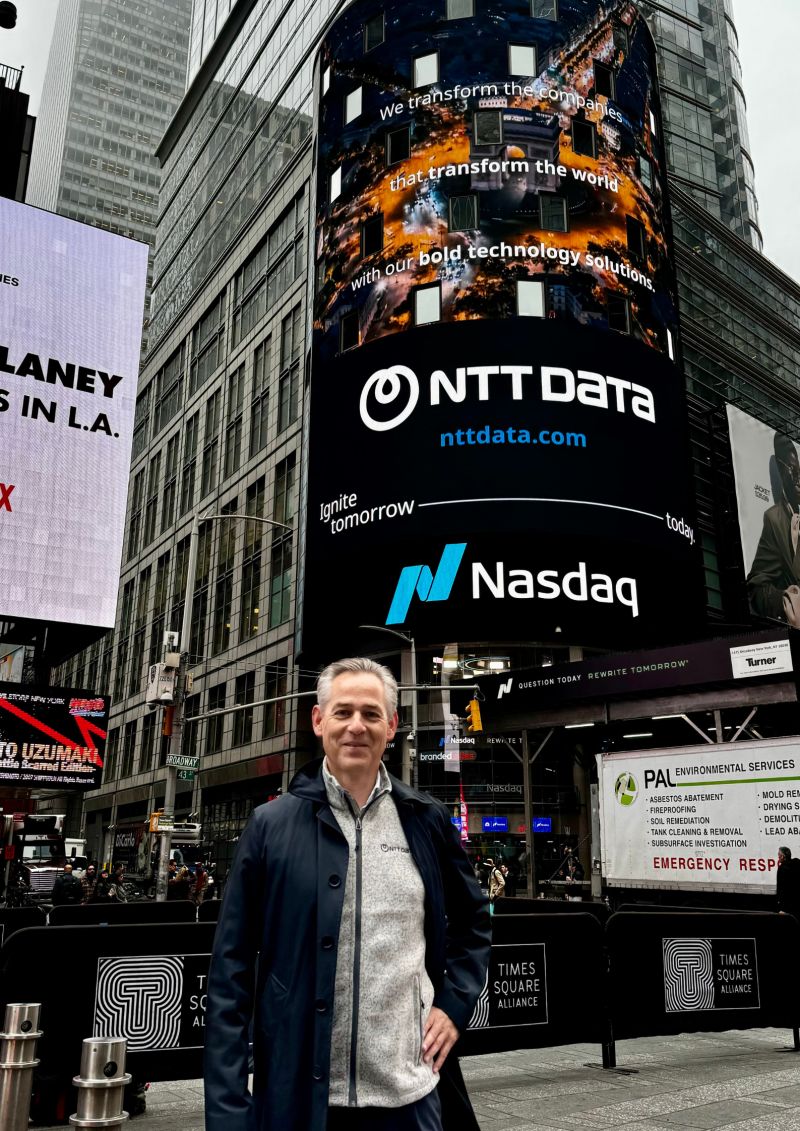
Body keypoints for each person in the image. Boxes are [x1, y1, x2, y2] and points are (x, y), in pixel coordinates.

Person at [205, 657, 490, 1131]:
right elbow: (229, 972)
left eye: (371, 714)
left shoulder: (427, 820)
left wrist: (454, 1005)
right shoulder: (270, 827)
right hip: (300, 1100)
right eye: (342, 712)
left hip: (411, 1097)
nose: (356, 726)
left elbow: (473, 920)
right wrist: (229, 1112)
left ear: (392, 726)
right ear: (318, 721)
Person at [747, 434, 800, 623]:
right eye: (792, 470)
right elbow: (757, 588)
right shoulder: (775, 519)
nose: (798, 479)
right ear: (779, 468)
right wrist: (786, 600)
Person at [776, 845, 800, 918]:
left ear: (783, 856)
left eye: (779, 855)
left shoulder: (782, 869)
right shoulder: (797, 863)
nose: (778, 857)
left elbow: (781, 888)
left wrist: (782, 907)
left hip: (788, 905)